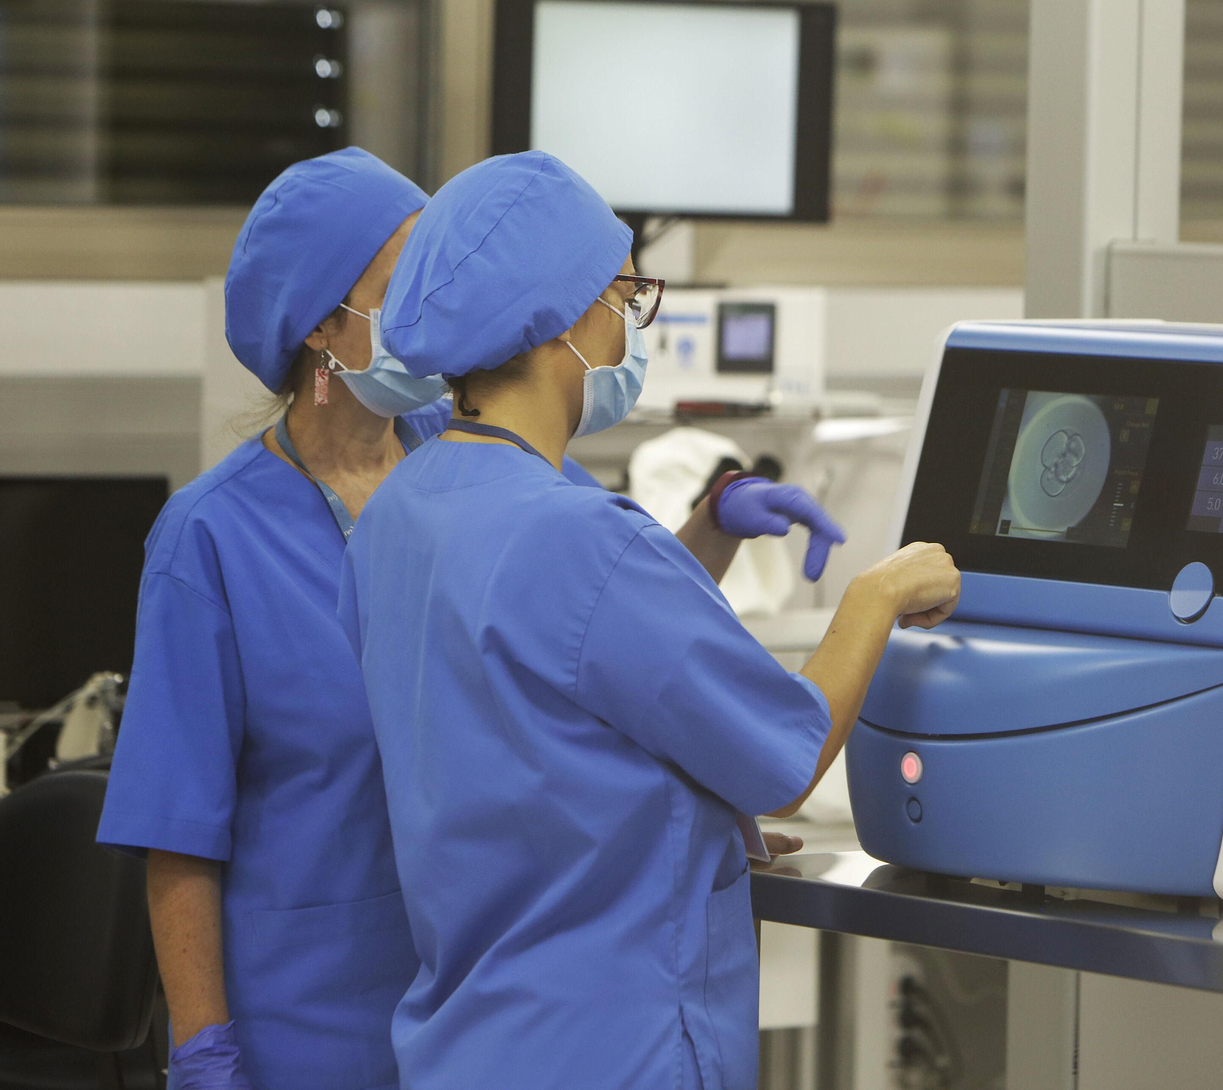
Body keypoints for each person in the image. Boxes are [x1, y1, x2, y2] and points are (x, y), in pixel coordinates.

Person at [95, 147, 840, 1090]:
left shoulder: (469, 471)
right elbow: (178, 829)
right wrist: (204, 1053)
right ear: (324, 325)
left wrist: (710, 525)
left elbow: (605, 635)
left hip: (473, 1006)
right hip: (315, 1020)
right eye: (409, 278)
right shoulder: (210, 539)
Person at [338, 150, 961, 1090]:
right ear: (557, 323)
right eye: (622, 293)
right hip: (610, 1047)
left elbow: (526, 738)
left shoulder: (401, 511)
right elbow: (787, 757)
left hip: (470, 1040)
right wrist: (877, 594)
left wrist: (694, 826)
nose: (631, 317)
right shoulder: (580, 537)